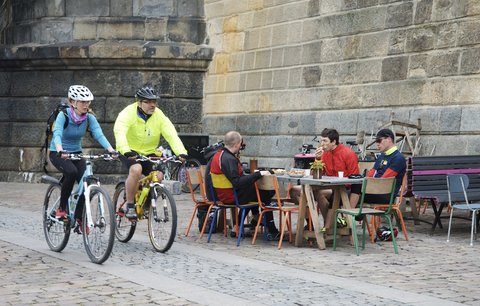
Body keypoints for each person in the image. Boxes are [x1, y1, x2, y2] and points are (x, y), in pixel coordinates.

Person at [114, 85, 188, 219]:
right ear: (139, 102)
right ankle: (130, 205)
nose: (152, 105)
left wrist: (181, 152)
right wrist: (125, 150)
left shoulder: (159, 115)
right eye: (148, 102)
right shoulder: (128, 113)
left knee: (158, 176)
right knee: (136, 169)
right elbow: (120, 131)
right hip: (129, 151)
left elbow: (171, 133)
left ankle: (147, 204)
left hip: (149, 152)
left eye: (154, 101)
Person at [49, 85, 116, 230]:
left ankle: (79, 217)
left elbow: (99, 134)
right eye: (82, 102)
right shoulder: (64, 115)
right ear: (72, 102)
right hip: (58, 153)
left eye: (88, 102)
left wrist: (112, 150)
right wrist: (60, 150)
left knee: (88, 182)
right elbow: (57, 134)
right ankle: (61, 209)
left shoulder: (89, 118)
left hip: (76, 153)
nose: (86, 105)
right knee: (71, 172)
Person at [205, 131, 281, 240]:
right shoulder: (229, 159)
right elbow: (237, 182)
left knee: (255, 191)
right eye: (240, 144)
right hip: (232, 196)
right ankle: (272, 231)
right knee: (266, 192)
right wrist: (257, 174)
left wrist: (253, 177)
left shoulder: (218, 155)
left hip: (223, 194)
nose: (240, 146)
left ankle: (249, 222)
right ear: (237, 144)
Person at [292, 128, 360, 228]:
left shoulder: (348, 153)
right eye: (321, 140)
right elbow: (314, 175)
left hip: (344, 189)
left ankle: (330, 225)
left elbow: (355, 178)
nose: (322, 144)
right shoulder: (324, 154)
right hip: (328, 187)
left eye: (325, 141)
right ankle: (311, 221)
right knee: (294, 191)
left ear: (333, 142)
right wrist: (317, 159)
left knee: (317, 193)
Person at [364, 128, 406, 203]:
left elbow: (384, 181)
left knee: (351, 193)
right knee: (348, 191)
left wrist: (367, 185)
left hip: (385, 195)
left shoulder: (398, 158)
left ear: (389, 139)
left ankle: (350, 214)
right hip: (374, 190)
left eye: (379, 141)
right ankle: (354, 214)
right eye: (376, 141)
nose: (377, 144)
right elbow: (371, 175)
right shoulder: (381, 156)